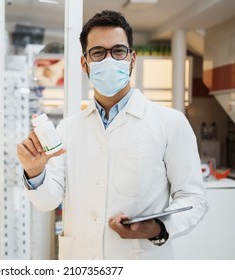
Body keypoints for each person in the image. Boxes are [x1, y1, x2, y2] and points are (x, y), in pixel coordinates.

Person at [17, 10, 208, 260]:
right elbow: (48, 201)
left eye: (118, 51)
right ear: (84, 63)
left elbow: (193, 198)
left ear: (132, 59)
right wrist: (35, 172)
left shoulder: (170, 123)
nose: (109, 59)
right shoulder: (68, 128)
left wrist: (158, 228)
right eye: (98, 52)